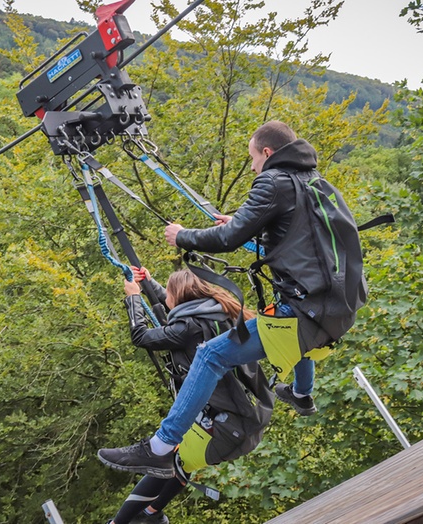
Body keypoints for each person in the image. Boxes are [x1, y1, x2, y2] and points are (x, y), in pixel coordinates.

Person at [98, 120, 366, 475]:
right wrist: (245, 222)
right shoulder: (314, 182)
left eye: (253, 158)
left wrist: (183, 236)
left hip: (307, 310)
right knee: (293, 339)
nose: (253, 166)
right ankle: (302, 393)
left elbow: (228, 240)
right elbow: (297, 240)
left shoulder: (272, 181)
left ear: (267, 153)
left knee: (211, 355)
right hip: (339, 305)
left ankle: (160, 446)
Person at [102, 268, 273, 524]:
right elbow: (176, 304)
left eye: (167, 292)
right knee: (178, 459)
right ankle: (151, 513)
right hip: (249, 418)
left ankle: (128, 520)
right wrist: (150, 282)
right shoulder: (220, 313)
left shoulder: (187, 328)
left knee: (167, 456)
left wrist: (134, 298)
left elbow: (141, 336)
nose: (165, 297)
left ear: (179, 295)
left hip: (227, 427)